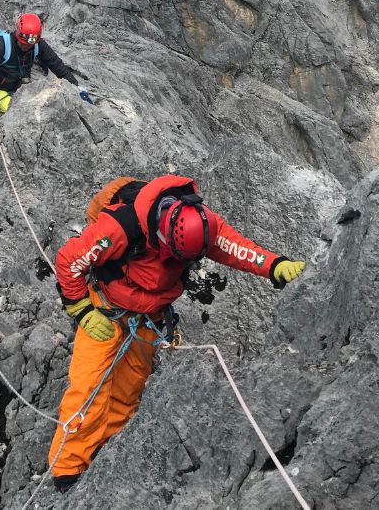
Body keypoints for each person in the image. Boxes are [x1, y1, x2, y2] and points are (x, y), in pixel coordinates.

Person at [48, 175, 306, 491]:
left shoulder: (199, 222)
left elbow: (231, 246)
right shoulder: (119, 227)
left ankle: (107, 443)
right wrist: (83, 311)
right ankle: (68, 468)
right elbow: (69, 261)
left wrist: (273, 265)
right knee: (89, 387)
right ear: (161, 233)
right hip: (105, 307)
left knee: (129, 387)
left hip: (148, 315)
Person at [0, 13, 93, 113]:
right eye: (23, 43)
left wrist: (75, 86)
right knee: (13, 112)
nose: (26, 47)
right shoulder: (2, 44)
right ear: (17, 34)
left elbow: (56, 65)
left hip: (18, 85)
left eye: (30, 44)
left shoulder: (38, 44)